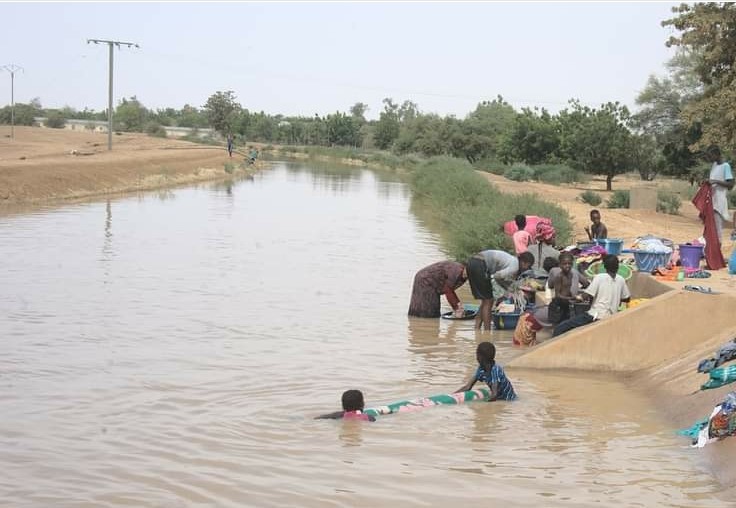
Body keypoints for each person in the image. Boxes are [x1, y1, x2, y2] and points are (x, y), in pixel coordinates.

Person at [552, 254, 630, 337]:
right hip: (611, 316)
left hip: (596, 315)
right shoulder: (621, 280)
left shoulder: (599, 277)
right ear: (618, 266)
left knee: (560, 328)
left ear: (604, 266)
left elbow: (585, 296)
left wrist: (575, 298)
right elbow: (627, 298)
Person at [466, 250, 534, 331]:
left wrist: (507, 290)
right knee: (489, 301)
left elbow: (499, 279)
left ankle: (477, 328)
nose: (527, 269)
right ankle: (487, 332)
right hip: (480, 265)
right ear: (523, 263)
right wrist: (509, 287)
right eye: (528, 266)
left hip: (472, 263)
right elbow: (497, 276)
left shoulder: (512, 260)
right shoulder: (515, 267)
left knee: (485, 301)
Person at [546, 252, 590, 324]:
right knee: (559, 325)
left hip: (567, 303)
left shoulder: (571, 274)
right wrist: (571, 298)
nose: (567, 266)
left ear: (572, 264)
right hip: (559, 305)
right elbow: (557, 295)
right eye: (564, 264)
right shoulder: (559, 276)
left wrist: (572, 297)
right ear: (560, 265)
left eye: (569, 264)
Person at [705, 146, 734, 248]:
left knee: (717, 232)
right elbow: (712, 182)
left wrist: (715, 181)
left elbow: (730, 185)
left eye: (710, 156)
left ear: (716, 154)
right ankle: (711, 255)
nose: (708, 158)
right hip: (712, 201)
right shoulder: (714, 165)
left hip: (719, 203)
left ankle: (716, 257)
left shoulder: (725, 166)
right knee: (709, 231)